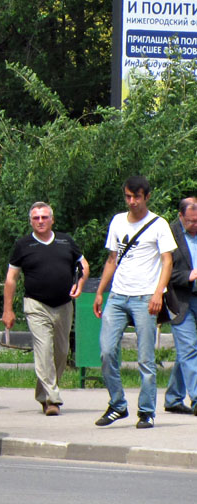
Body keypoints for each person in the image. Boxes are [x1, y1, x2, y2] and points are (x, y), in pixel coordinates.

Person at [93, 175, 175, 429]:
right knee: (106, 351)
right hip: (118, 295)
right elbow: (111, 259)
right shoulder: (118, 221)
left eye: (136, 197)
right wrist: (100, 292)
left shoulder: (158, 224)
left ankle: (147, 411)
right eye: (128, 196)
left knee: (145, 359)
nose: (132, 202)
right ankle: (117, 404)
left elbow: (167, 261)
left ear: (146, 197)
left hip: (145, 296)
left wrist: (158, 293)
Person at [2, 201, 89, 416]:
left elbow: (84, 266)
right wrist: (8, 310)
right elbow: (11, 279)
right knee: (44, 350)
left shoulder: (65, 241)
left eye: (44, 217)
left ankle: (44, 394)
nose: (40, 221)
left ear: (52, 219)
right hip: (36, 304)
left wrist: (80, 285)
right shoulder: (23, 245)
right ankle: (52, 399)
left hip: (63, 305)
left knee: (60, 352)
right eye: (35, 218)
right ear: (30, 221)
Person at [164, 197, 197, 415]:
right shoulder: (169, 235)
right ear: (180, 216)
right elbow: (164, 270)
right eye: (191, 221)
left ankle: (173, 397)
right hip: (180, 300)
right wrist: (189, 275)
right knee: (189, 348)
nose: (195, 225)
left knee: (186, 352)